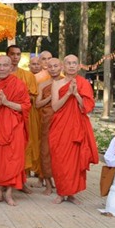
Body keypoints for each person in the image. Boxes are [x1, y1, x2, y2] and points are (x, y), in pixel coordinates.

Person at [49, 54, 99, 205]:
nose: (71, 66)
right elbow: (55, 107)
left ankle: (71, 194)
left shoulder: (84, 83)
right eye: (68, 63)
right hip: (60, 127)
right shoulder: (57, 84)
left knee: (75, 161)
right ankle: (61, 192)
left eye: (74, 63)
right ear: (63, 66)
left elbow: (87, 107)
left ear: (78, 66)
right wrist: (68, 94)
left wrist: (76, 94)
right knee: (59, 160)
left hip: (77, 127)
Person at [0, 55, 30, 206]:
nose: (2, 68)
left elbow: (25, 106)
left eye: (5, 65)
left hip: (14, 127)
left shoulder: (19, 84)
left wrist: (7, 102)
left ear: (11, 67)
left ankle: (9, 194)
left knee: (13, 160)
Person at [7, 45, 40, 188]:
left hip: (25, 115)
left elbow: (33, 97)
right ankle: (4, 182)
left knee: (25, 146)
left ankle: (23, 182)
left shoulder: (28, 76)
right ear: (7, 56)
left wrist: (19, 96)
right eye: (12, 54)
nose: (15, 57)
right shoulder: (1, 76)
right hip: (7, 116)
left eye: (18, 54)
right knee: (8, 149)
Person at [35, 57, 63, 195]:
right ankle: (48, 184)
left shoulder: (66, 82)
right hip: (47, 119)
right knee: (45, 151)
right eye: (50, 66)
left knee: (61, 152)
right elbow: (37, 104)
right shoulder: (43, 85)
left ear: (61, 67)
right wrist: (50, 98)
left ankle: (62, 183)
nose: (53, 69)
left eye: (55, 66)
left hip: (62, 121)